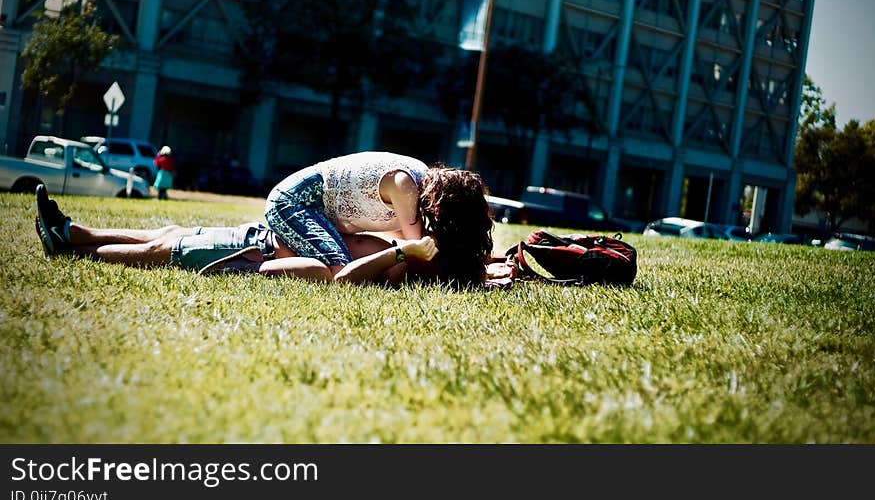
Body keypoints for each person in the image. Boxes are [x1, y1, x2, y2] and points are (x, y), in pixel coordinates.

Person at [33, 185, 514, 286]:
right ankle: (75, 232)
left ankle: (72, 247)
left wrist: (401, 250)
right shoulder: (426, 250)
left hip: (256, 251)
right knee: (171, 230)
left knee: (167, 250)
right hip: (266, 235)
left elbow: (342, 278)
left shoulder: (410, 263)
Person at [265, 152, 494, 287]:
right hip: (292, 203)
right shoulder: (405, 186)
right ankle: (250, 267)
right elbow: (418, 249)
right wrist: (478, 268)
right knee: (341, 271)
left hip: (314, 207)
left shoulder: (419, 180)